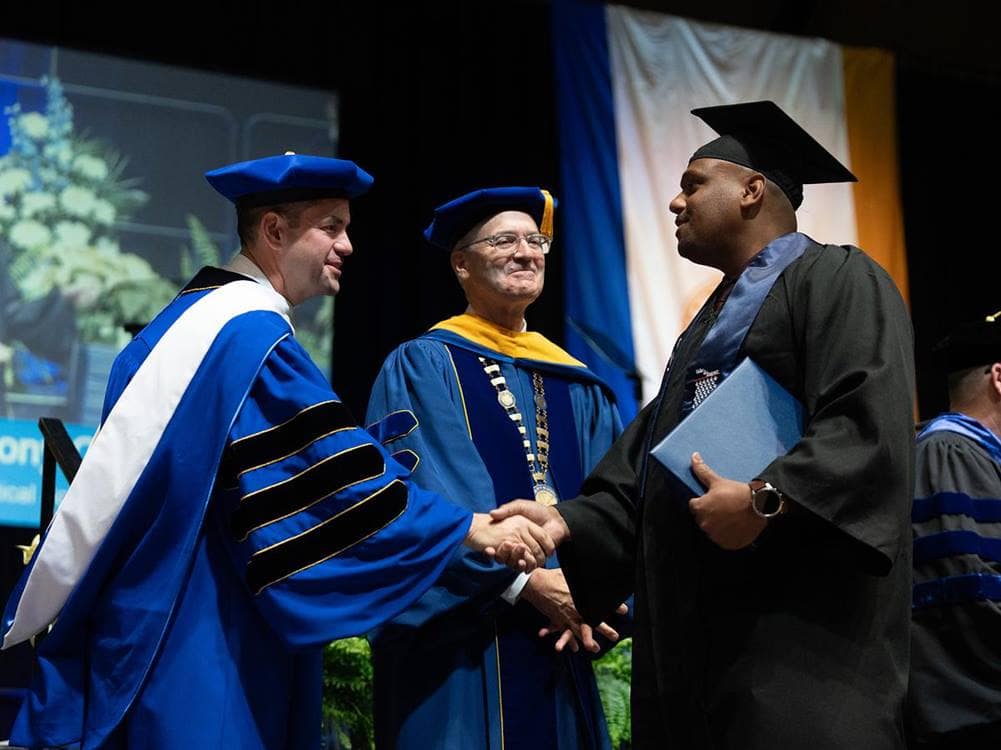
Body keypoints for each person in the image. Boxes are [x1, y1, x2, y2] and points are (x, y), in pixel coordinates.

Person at [0, 153, 553, 749]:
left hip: (158, 609)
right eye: (331, 227)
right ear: (273, 231)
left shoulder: (179, 326)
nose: (349, 245)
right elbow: (328, 477)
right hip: (209, 628)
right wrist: (467, 528)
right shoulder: (250, 338)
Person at [493, 101, 916, 749]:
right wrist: (567, 522)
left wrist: (764, 500)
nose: (674, 203)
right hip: (696, 667)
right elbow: (649, 471)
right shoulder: (705, 331)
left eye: (693, 184)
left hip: (798, 657)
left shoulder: (838, 279)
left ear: (750, 191)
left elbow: (867, 429)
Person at [365, 186, 624, 749]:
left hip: (560, 634)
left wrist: (593, 595)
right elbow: (422, 494)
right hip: (460, 643)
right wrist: (524, 582)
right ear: (461, 263)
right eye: (505, 240)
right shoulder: (423, 364)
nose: (527, 252)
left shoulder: (580, 384)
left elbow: (614, 502)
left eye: (537, 241)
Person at [907, 313, 1001, 749]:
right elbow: (965, 593)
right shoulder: (949, 451)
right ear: (999, 377)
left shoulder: (978, 457)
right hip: (972, 716)